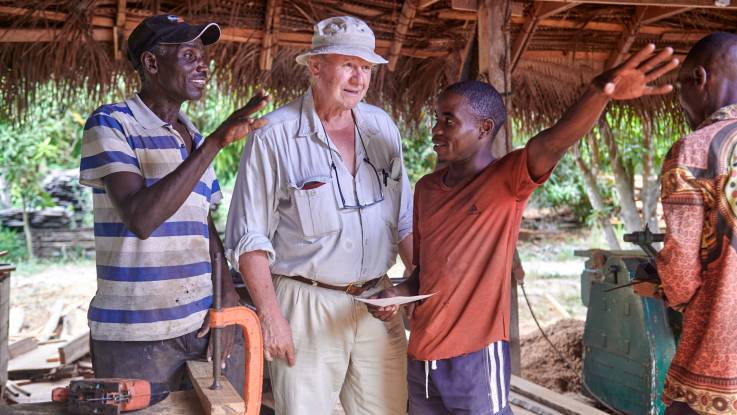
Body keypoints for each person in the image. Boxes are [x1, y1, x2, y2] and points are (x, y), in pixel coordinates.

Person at [369, 44, 678, 414]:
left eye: (448, 120)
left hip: (476, 357)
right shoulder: (427, 189)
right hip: (422, 356)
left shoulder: (506, 180)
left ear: (484, 128)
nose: (435, 129)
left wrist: (600, 92)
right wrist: (397, 293)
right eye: (436, 118)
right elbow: (423, 274)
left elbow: (556, 139)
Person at [224, 15, 413, 415]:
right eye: (348, 64)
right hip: (306, 303)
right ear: (314, 66)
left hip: (376, 300)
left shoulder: (382, 128)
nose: (358, 78)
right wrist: (271, 316)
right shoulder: (274, 134)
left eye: (365, 68)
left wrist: (409, 285)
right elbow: (248, 236)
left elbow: (405, 217)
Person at [79, 14, 270, 393]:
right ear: (151, 63)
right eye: (188, 54)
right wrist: (215, 143)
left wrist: (227, 299)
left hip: (199, 324)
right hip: (135, 334)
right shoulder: (111, 122)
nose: (203, 64)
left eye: (203, 54)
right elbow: (141, 217)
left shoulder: (195, 137)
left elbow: (203, 226)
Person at [653, 32, 737, 415]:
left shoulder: (696, 149)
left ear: (699, 79)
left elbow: (681, 277)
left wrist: (663, 286)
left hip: (717, 368)